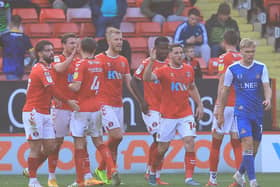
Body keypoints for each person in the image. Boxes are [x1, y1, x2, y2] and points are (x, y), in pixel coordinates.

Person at [143, 44, 204, 186]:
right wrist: (151, 61)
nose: (179, 55)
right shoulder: (163, 71)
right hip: (168, 115)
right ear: (170, 55)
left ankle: (189, 178)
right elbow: (147, 78)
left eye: (181, 52)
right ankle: (153, 171)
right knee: (162, 148)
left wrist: (200, 104)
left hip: (185, 113)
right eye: (176, 53)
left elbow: (192, 87)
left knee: (189, 141)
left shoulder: (188, 69)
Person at [22, 40, 79, 187]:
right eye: (47, 50)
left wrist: (72, 54)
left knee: (51, 146)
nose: (51, 53)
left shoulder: (49, 67)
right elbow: (51, 89)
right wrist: (68, 101)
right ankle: (33, 181)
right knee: (35, 147)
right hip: (33, 112)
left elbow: (61, 68)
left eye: (52, 50)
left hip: (45, 112)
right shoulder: (39, 69)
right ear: (39, 53)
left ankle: (30, 169)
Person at [217, 38, 272, 187]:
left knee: (253, 150)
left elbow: (267, 86)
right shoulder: (232, 69)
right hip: (241, 113)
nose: (250, 55)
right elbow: (224, 91)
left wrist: (268, 99)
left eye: (252, 52)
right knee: (247, 143)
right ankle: (253, 182)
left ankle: (239, 174)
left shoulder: (261, 67)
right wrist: (220, 112)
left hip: (258, 113)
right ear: (241, 52)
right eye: (247, 52)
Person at [93, 27, 138, 185]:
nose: (120, 42)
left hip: (118, 104)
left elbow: (129, 82)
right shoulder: (99, 59)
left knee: (115, 142)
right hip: (103, 104)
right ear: (108, 41)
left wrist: (140, 100)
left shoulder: (123, 60)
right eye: (116, 39)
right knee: (117, 136)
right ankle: (111, 170)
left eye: (121, 39)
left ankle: (106, 172)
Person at [68, 37, 114, 187]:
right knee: (99, 141)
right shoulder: (100, 63)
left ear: (80, 47)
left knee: (79, 144)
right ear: (94, 49)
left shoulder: (81, 64)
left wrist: (63, 86)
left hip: (82, 108)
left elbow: (76, 86)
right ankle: (112, 168)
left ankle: (80, 180)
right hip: (96, 108)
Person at [206, 30, 243, 187]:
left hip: (226, 105)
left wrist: (219, 107)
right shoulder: (243, 58)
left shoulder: (223, 58)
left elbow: (222, 81)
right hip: (240, 105)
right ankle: (239, 180)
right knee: (236, 143)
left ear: (224, 41)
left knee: (216, 142)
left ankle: (212, 180)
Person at [131, 36, 170, 185]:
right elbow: (134, 80)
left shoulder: (169, 64)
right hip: (151, 108)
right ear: (155, 49)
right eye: (162, 48)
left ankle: (151, 172)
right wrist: (142, 101)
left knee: (161, 142)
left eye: (167, 48)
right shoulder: (147, 63)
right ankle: (154, 174)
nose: (164, 51)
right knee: (159, 139)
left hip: (165, 110)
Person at [46, 33, 79, 187]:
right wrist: (72, 56)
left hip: (76, 107)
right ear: (63, 45)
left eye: (76, 43)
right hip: (60, 107)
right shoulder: (57, 59)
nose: (74, 46)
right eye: (71, 43)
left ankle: (81, 178)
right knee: (57, 143)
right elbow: (59, 70)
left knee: (80, 141)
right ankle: (51, 177)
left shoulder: (80, 61)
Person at [0, 15, 34, 80]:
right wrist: (28, 63)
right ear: (20, 24)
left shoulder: (3, 37)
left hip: (9, 68)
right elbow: (33, 56)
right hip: (20, 69)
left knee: (13, 87)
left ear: (10, 23)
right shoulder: (25, 38)